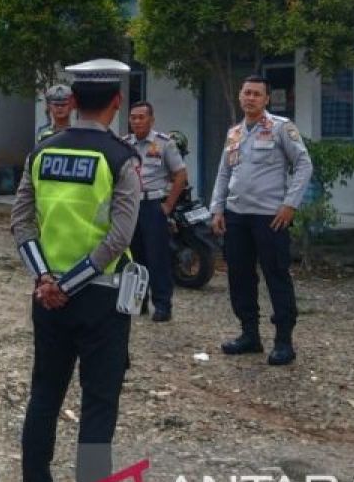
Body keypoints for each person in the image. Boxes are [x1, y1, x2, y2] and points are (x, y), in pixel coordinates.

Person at [10, 59, 141, 482]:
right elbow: (120, 235)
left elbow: (21, 223)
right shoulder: (122, 158)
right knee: (98, 404)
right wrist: (70, 282)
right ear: (117, 103)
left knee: (44, 395)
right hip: (100, 299)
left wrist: (46, 278)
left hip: (47, 298)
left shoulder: (42, 152)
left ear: (74, 102)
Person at [210, 75, 312, 367]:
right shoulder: (234, 133)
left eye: (257, 94)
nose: (250, 98)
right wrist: (217, 209)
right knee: (239, 276)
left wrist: (290, 204)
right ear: (240, 96)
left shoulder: (281, 128)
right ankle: (249, 334)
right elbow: (223, 173)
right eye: (246, 93)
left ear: (267, 99)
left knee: (276, 275)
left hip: (270, 217)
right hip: (237, 216)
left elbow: (304, 164)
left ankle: (283, 341)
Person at [124, 101, 187, 322]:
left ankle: (162, 305)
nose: (137, 121)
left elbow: (180, 175)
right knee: (133, 255)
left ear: (151, 120)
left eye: (142, 117)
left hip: (153, 205)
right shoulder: (124, 144)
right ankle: (136, 302)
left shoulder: (164, 144)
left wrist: (168, 205)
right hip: (131, 206)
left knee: (157, 256)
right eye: (133, 117)